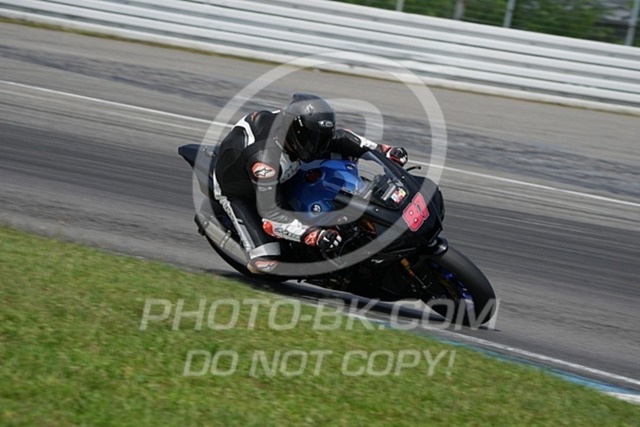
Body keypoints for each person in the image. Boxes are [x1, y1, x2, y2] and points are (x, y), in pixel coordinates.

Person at [213, 93, 408, 274]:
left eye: (321, 138)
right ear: (295, 132)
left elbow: (342, 137)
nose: (317, 145)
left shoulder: (301, 132)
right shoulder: (264, 162)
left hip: (285, 165)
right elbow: (272, 216)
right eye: (311, 139)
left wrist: (384, 151)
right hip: (240, 190)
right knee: (265, 261)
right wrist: (313, 235)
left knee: (340, 158)